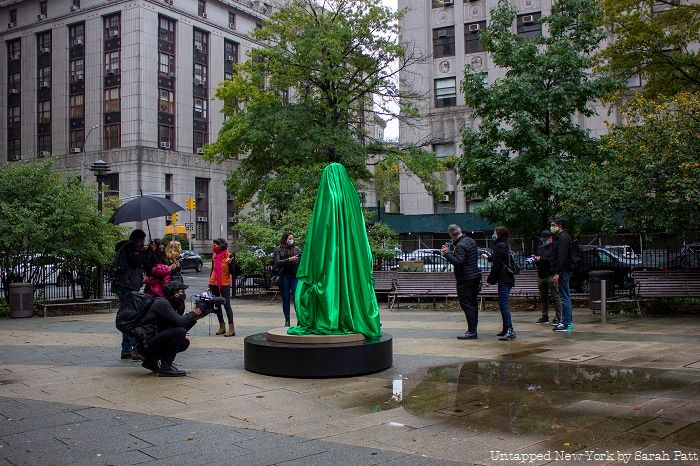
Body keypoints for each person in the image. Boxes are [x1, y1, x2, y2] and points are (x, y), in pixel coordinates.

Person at [132, 281, 204, 377]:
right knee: (180, 332)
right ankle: (166, 366)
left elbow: (178, 326)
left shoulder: (167, 303)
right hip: (145, 343)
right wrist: (193, 313)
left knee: (183, 341)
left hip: (149, 341)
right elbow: (179, 323)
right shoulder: (162, 303)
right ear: (174, 293)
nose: (183, 295)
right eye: (181, 292)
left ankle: (151, 361)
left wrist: (194, 319)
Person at [111, 229, 149, 360]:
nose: (143, 243)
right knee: (132, 317)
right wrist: (148, 251)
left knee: (128, 315)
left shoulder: (125, 247)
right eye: (143, 240)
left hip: (125, 285)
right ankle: (135, 349)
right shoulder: (131, 247)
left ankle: (126, 349)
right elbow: (137, 261)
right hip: (127, 285)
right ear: (139, 239)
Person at [441, 224, 482, 340]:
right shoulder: (471, 241)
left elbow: (458, 262)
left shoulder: (460, 245)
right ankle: (474, 328)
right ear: (460, 231)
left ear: (451, 234)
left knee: (467, 304)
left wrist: (447, 254)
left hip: (465, 278)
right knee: (473, 304)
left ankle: (472, 331)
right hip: (475, 276)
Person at [482, 226, 516, 341]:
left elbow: (496, 266)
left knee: (504, 305)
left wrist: (489, 281)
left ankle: (509, 330)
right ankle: (506, 328)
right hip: (508, 278)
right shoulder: (505, 244)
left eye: (495, 233)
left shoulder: (499, 246)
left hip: (504, 279)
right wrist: (489, 257)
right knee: (503, 305)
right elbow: (500, 259)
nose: (493, 235)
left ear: (499, 234)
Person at [551, 217, 574, 332]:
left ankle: (567, 323)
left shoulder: (563, 238)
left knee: (564, 296)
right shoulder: (562, 237)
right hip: (564, 270)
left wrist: (557, 272)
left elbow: (562, 257)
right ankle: (566, 322)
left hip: (563, 271)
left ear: (559, 225)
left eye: (553, 225)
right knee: (565, 296)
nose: (552, 227)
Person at [273, 232, 301, 327]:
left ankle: (300, 319)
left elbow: (301, 261)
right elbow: (277, 262)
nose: (291, 240)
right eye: (289, 238)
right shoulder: (278, 249)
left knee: (297, 299)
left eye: (292, 238)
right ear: (285, 239)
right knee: (286, 299)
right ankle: (287, 320)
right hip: (284, 276)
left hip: (294, 276)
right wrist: (289, 259)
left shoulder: (297, 249)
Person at [534, 230, 562, 324]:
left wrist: (541, 259)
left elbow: (552, 260)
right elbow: (540, 260)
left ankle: (558, 316)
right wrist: (536, 260)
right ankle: (544, 315)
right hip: (541, 275)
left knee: (555, 297)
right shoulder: (541, 248)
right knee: (543, 297)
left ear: (550, 238)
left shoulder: (554, 247)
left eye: (546, 239)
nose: (544, 241)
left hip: (550, 275)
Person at [209, 238, 235, 337]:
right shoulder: (214, 255)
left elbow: (233, 272)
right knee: (217, 305)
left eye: (215, 245)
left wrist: (230, 263)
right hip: (214, 283)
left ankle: (231, 328)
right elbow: (212, 270)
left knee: (227, 305)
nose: (213, 247)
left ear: (220, 245)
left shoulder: (229, 255)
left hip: (224, 284)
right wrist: (209, 284)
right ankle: (222, 326)